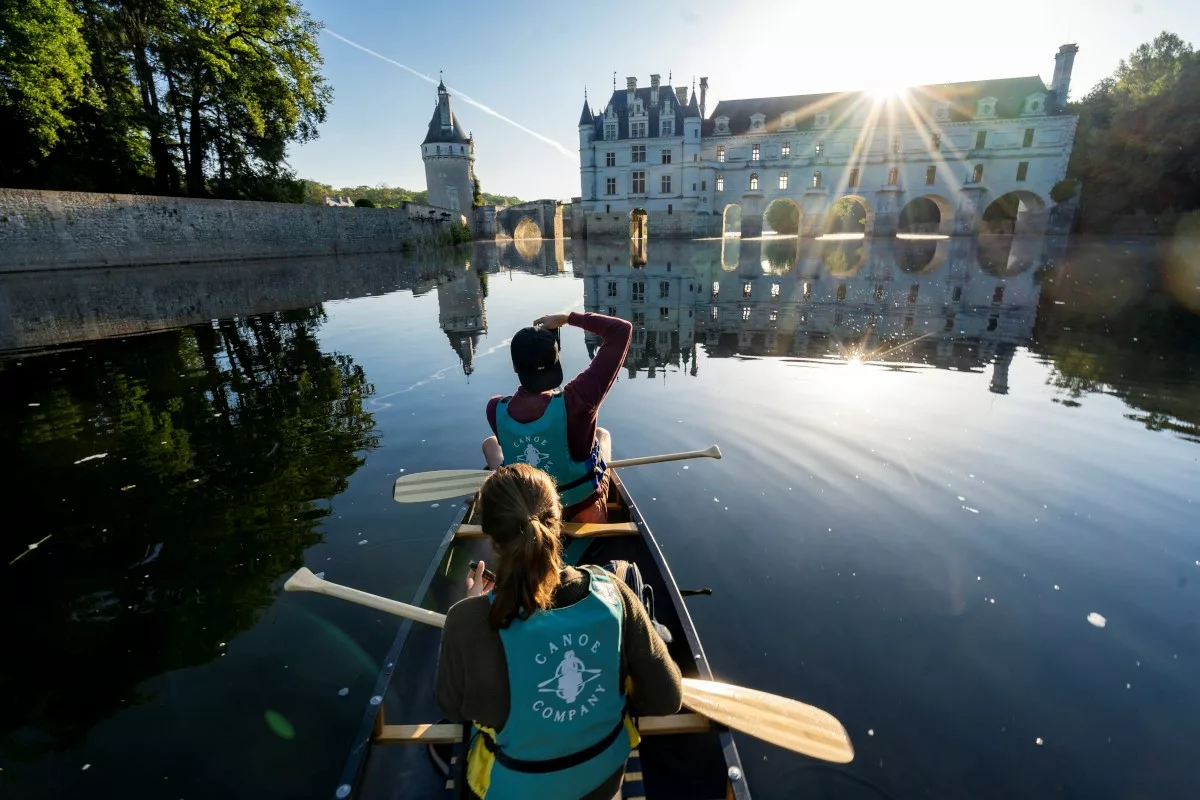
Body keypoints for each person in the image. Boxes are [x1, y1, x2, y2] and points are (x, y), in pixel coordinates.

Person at [436, 464, 681, 800]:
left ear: (491, 541)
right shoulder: (615, 593)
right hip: (602, 782)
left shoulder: (466, 620)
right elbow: (667, 699)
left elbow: (453, 708)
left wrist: (474, 609)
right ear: (559, 523)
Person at [482, 311, 631, 522]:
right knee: (602, 435)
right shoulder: (578, 400)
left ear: (515, 367)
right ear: (556, 359)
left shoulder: (495, 408)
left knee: (490, 443)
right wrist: (567, 318)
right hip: (581, 510)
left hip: (529, 508)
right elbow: (621, 330)